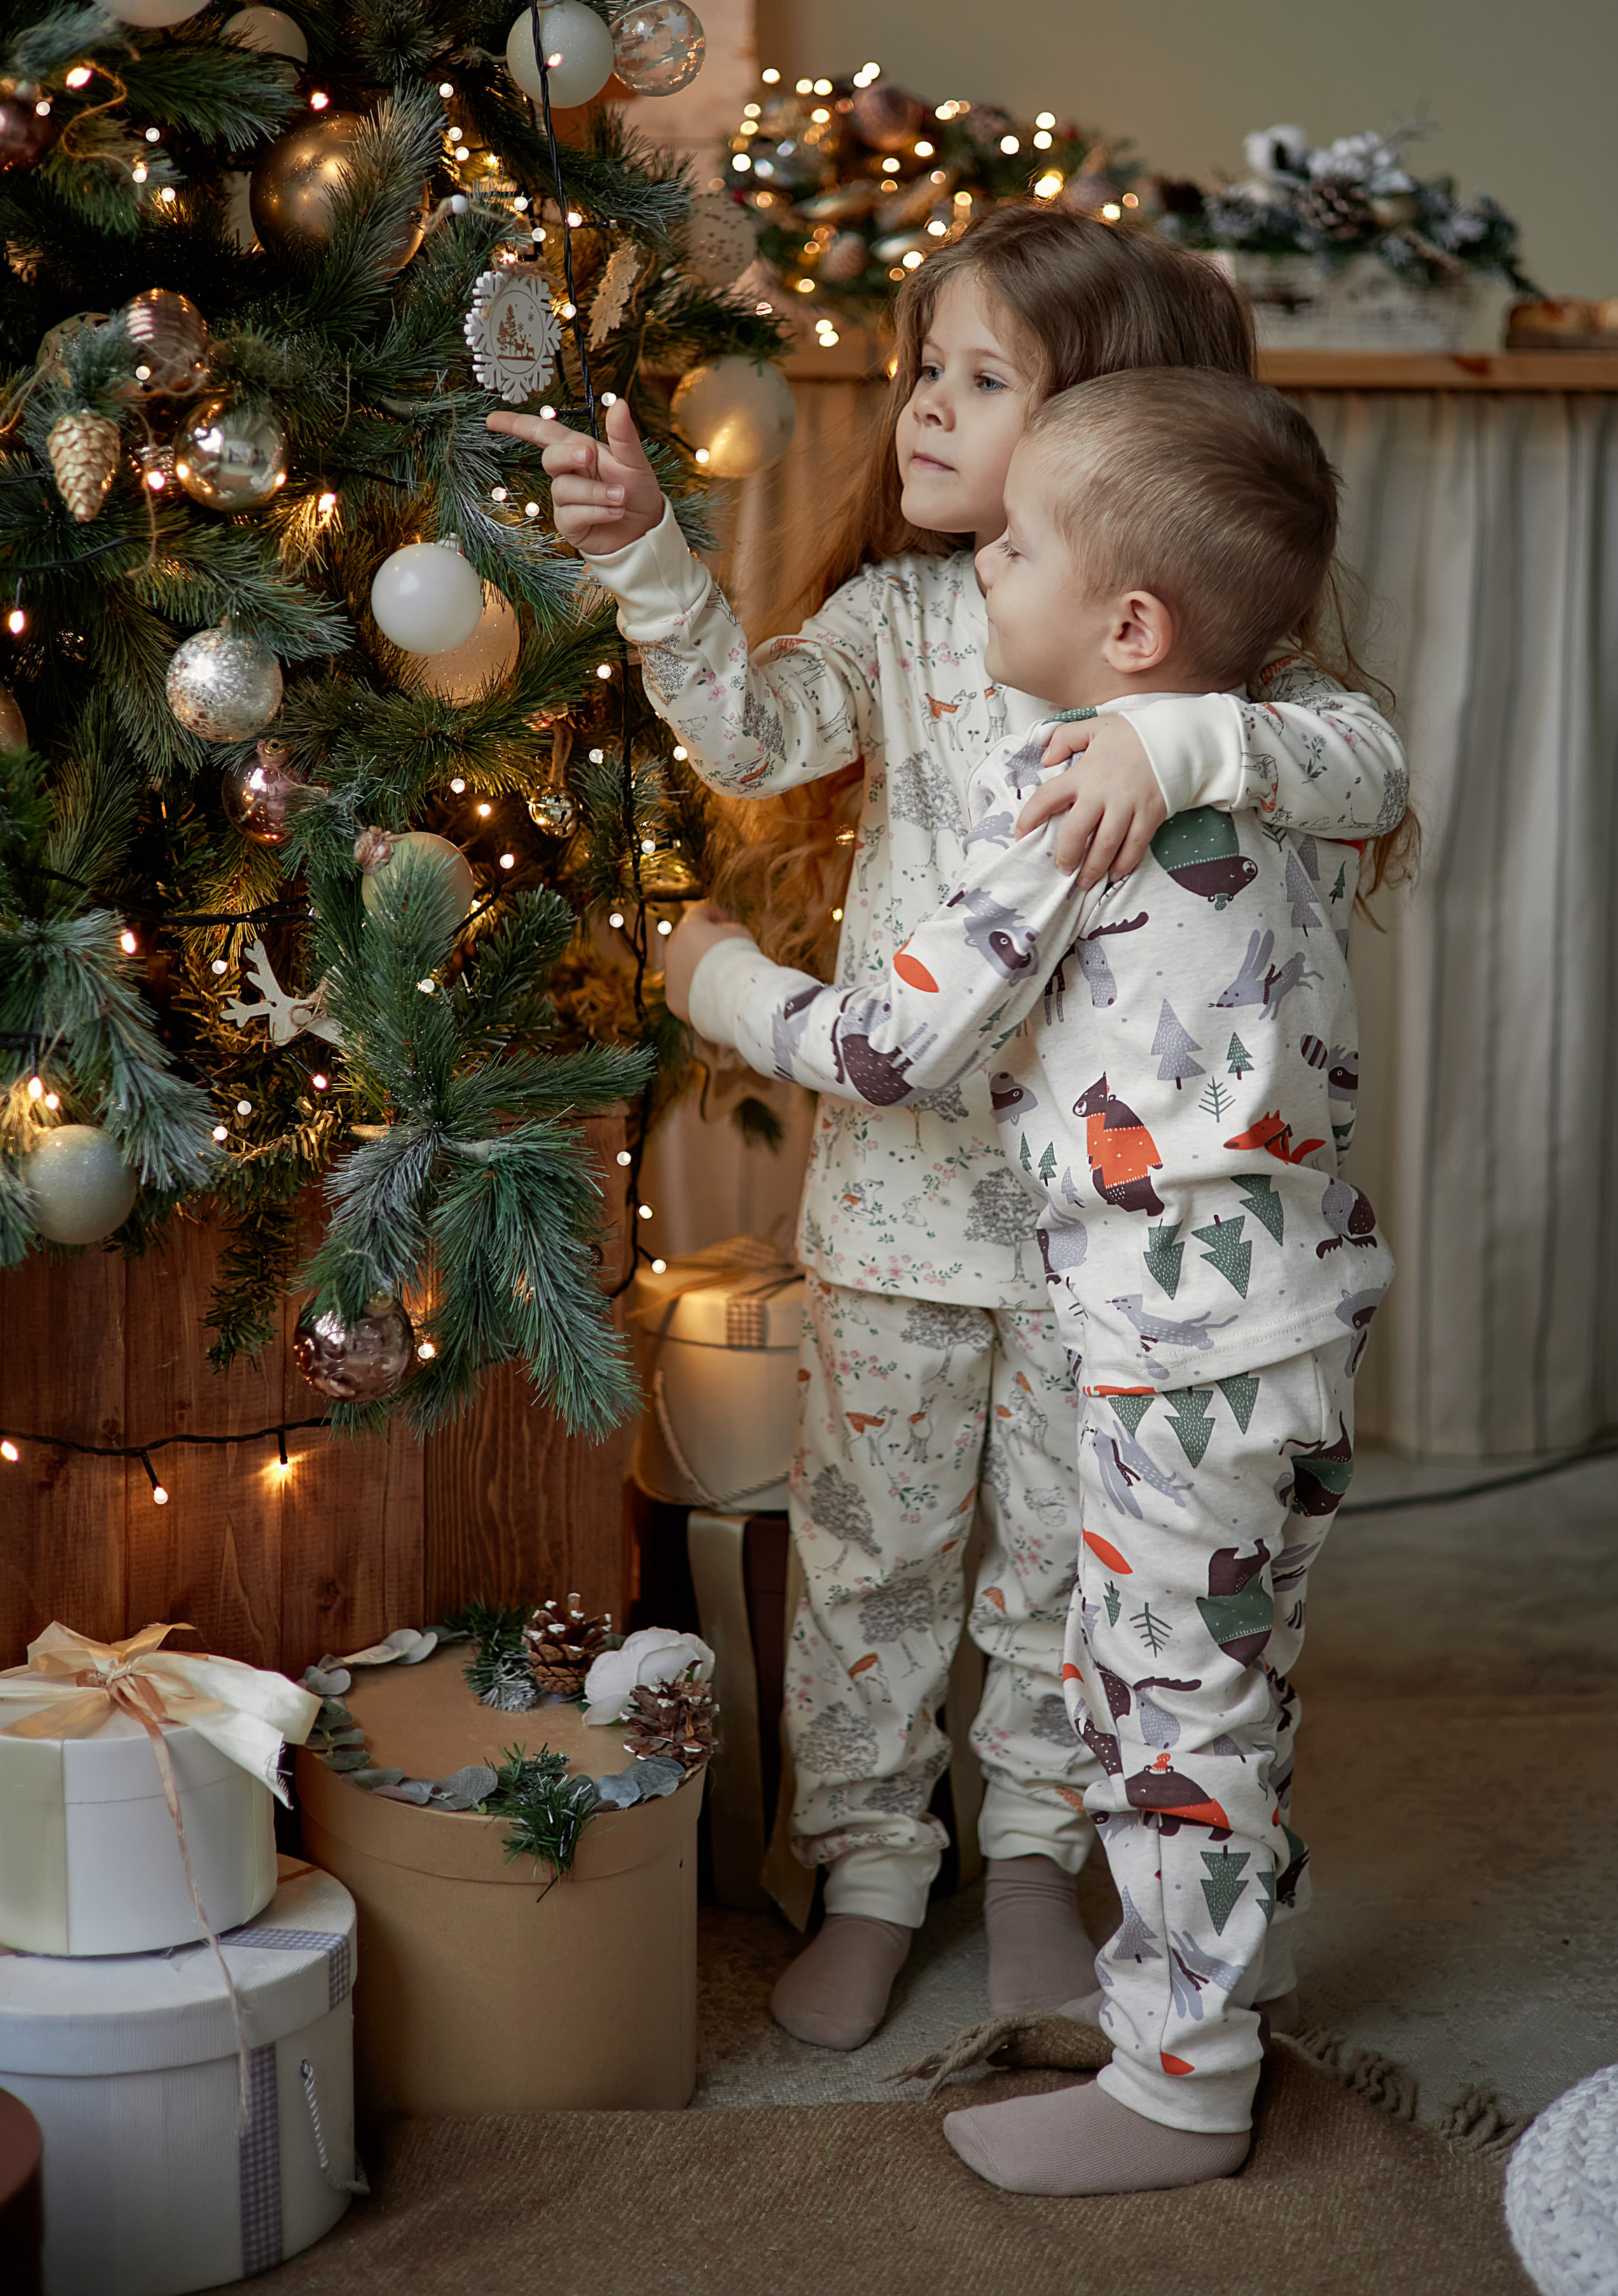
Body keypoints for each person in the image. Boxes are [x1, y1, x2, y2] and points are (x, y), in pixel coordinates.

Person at [490, 212, 1410, 2058]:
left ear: (1122, 428)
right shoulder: (914, 617)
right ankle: (875, 1865)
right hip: (903, 1217)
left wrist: (1189, 748)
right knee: (870, 1559)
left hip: (1114, 1260)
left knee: (1061, 1575)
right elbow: (750, 737)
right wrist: (649, 552)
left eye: (981, 380)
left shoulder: (1221, 683)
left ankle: (1032, 1865)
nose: (918, 404)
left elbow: (1369, 762)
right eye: (927, 364)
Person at [663, 367, 1401, 2197]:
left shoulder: (1076, 792)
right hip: (1302, 1330)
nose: (981, 572)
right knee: (1238, 1674)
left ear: (1128, 626)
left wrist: (707, 979)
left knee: (1168, 1710)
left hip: (1174, 1348)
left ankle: (1182, 2085)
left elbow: (894, 1046)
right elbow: (1360, 756)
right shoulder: (1264, 755)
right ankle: (1232, 1954)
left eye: (1012, 549)